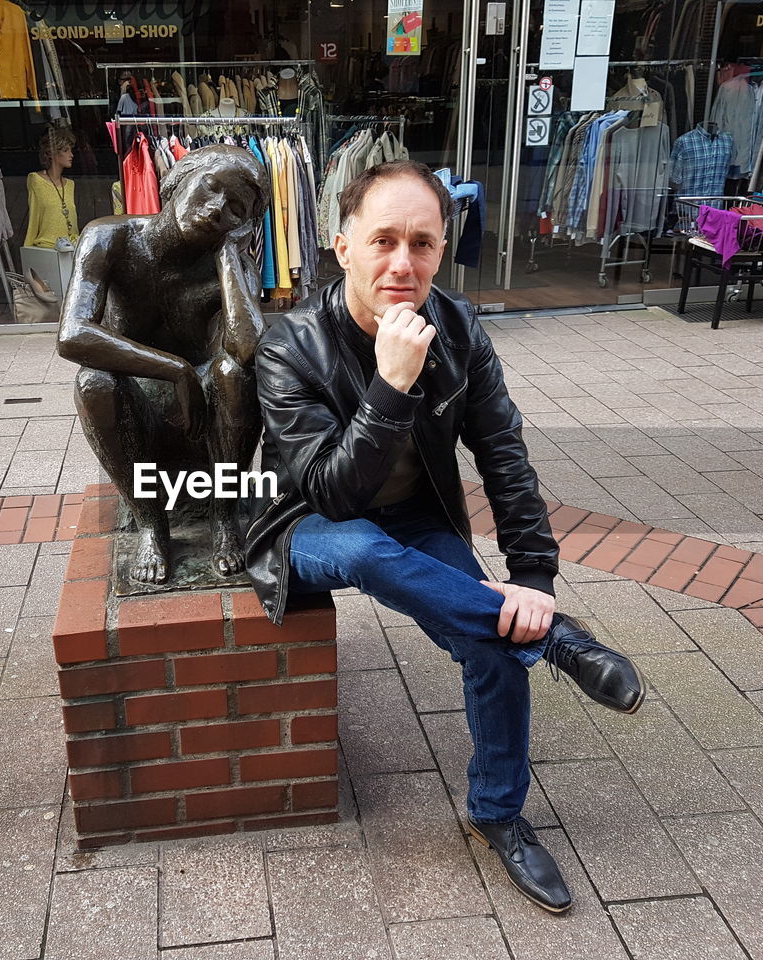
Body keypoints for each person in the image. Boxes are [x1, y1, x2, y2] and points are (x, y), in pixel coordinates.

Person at [244, 161, 645, 913]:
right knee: (364, 548)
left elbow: (504, 455)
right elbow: (331, 491)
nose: (403, 263)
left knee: (492, 644)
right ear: (341, 246)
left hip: (417, 520)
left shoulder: (460, 328)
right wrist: (392, 384)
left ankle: (499, 815)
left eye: (423, 244)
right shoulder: (288, 346)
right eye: (384, 240)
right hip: (304, 528)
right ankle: (557, 641)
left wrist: (533, 578)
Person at [57, 145, 266, 584]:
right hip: (138, 402)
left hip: (204, 413)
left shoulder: (228, 262)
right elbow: (73, 334)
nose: (215, 211)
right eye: (210, 188)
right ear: (177, 178)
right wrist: (176, 369)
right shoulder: (109, 237)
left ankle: (223, 517)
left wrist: (229, 256)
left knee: (236, 374)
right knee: (93, 381)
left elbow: (248, 348)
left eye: (234, 210)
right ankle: (152, 523)